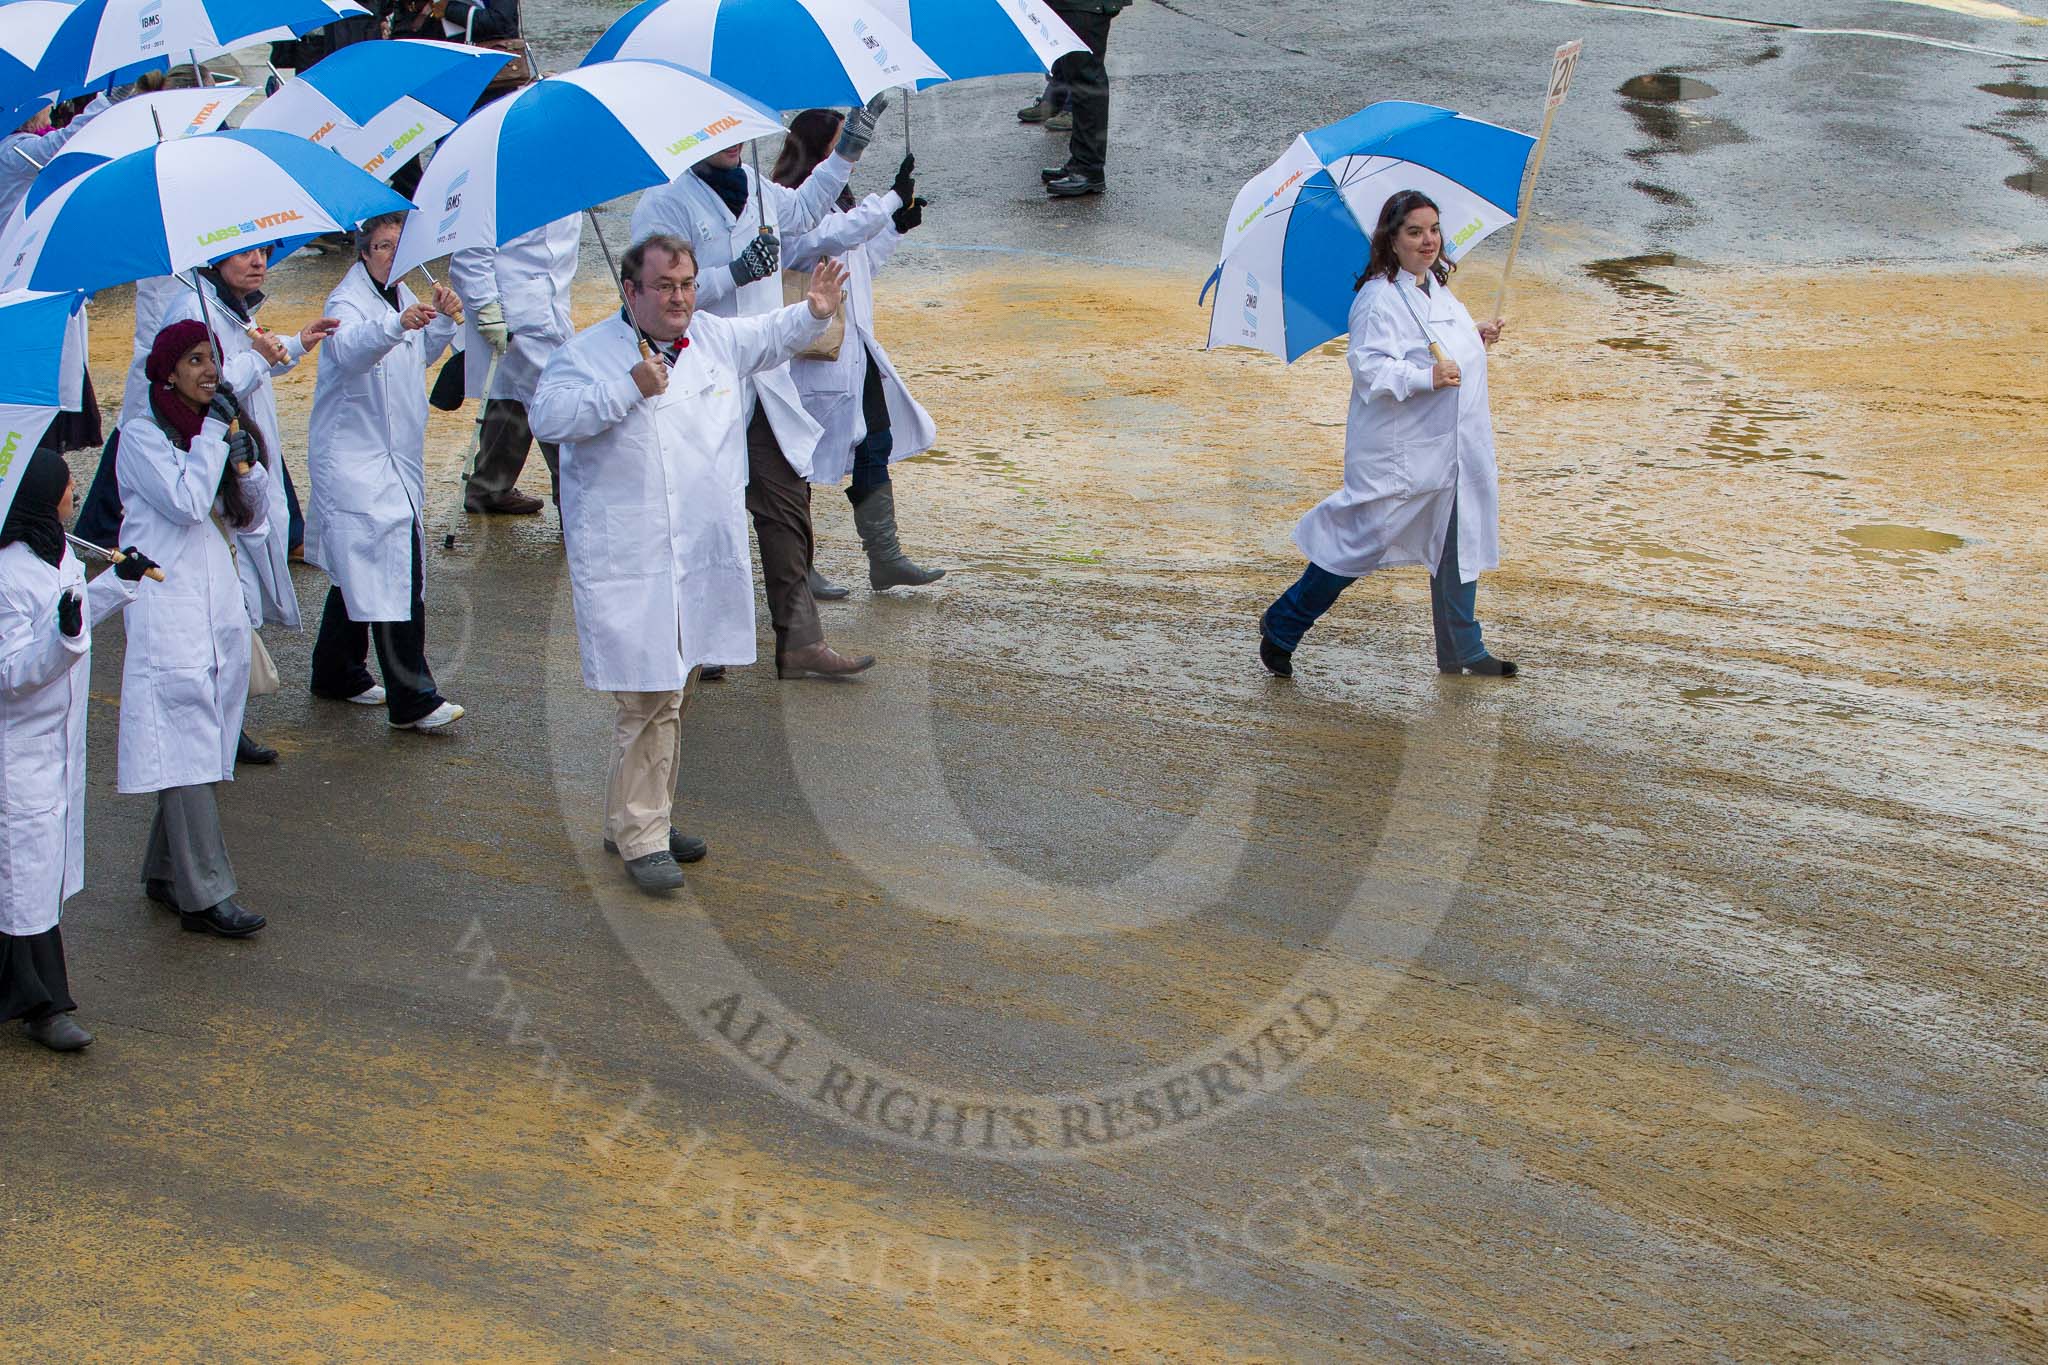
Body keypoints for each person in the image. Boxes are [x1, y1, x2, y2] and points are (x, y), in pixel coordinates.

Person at [529, 236, 847, 891]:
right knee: (647, 696)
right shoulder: (586, 357)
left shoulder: (709, 338)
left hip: (697, 555)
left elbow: (768, 333)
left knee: (675, 689)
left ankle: (640, 814)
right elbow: (550, 414)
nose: (679, 298)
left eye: (686, 283)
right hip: (632, 560)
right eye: (665, 285)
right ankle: (642, 835)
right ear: (630, 291)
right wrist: (627, 388)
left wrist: (813, 311)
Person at [629, 101, 890, 674]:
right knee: (698, 518)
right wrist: (732, 273)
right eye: (714, 131)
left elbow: (804, 209)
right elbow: (656, 295)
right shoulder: (663, 203)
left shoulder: (756, 186)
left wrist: (848, 152)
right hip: (697, 375)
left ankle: (799, 643)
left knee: (786, 506)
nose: (730, 142)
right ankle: (694, 643)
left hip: (762, 373)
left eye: (736, 131)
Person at [78, 248, 341, 762]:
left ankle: (227, 724)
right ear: (214, 260)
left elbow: (242, 365)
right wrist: (240, 386)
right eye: (245, 253)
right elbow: (211, 383)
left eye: (264, 252)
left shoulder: (226, 305)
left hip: (221, 466)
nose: (259, 261)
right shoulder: (189, 310)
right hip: (194, 483)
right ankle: (222, 730)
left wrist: (293, 345)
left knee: (235, 610)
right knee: (210, 640)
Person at [1257, 190, 1516, 680]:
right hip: (1401, 455)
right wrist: (1427, 378)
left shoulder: (1433, 287)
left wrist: (1474, 335)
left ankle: (1464, 649)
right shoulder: (1378, 298)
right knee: (1360, 542)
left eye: (1434, 229)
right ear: (1391, 240)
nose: (1428, 241)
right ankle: (1285, 621)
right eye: (1415, 232)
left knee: (1457, 542)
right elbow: (1370, 369)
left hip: (1455, 449)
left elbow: (1437, 343)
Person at [116, 320, 275, 937]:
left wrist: (245, 465)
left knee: (196, 742)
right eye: (194, 360)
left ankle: (163, 871)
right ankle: (206, 895)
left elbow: (254, 522)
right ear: (167, 371)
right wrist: (214, 438)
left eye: (213, 358)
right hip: (168, 607)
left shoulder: (215, 429)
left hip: (215, 607)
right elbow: (183, 505)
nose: (210, 370)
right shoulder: (141, 436)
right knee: (184, 740)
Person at [0, 449, 157, 1050]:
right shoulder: (8, 571)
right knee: (27, 882)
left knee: (32, 879)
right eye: (68, 486)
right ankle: (47, 1005)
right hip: (21, 751)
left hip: (57, 747)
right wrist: (63, 639)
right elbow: (14, 670)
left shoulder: (59, 552)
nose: (75, 495)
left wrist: (118, 582)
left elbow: (76, 615)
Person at [305, 212, 467, 731]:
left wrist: (440, 320)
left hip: (393, 457)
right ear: (362, 252)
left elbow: (415, 356)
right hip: (355, 461)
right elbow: (350, 350)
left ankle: (337, 671)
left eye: (401, 246)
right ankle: (412, 698)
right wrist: (398, 323)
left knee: (356, 569)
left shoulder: (398, 294)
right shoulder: (346, 302)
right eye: (383, 247)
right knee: (393, 571)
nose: (394, 256)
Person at [775, 111, 944, 591]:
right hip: (810, 359)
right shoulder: (788, 211)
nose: (844, 159)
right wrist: (889, 201)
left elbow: (860, 261)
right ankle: (798, 567)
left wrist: (895, 228)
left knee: (876, 443)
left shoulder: (839, 206)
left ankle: (884, 556)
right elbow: (834, 237)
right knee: (796, 462)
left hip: (856, 352)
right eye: (837, 147)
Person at [448, 212, 580, 514]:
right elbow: (468, 256)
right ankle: (574, 502)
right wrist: (486, 308)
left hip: (550, 308)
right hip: (512, 314)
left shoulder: (568, 182)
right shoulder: (496, 185)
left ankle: (489, 488)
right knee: (557, 407)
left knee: (511, 400)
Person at [1040, 0, 1131, 198]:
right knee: (1075, 74)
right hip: (1073, 5)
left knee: (1086, 78)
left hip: (1086, 5)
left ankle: (1089, 169)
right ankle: (1080, 162)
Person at [0, 95, 110, 227]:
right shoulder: (16, 150)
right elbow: (67, 141)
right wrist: (111, 97)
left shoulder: (11, 145)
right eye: (47, 101)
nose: (52, 106)